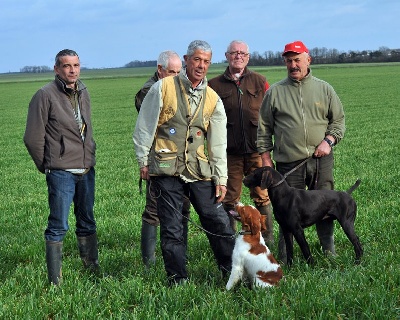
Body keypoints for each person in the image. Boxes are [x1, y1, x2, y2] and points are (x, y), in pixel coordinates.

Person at [133, 40, 235, 286]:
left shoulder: (212, 98)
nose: (201, 66)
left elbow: (219, 144)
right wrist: (143, 160)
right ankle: (177, 279)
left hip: (198, 169)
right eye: (197, 60)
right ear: (187, 60)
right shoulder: (163, 88)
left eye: (206, 61)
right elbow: (145, 127)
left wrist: (221, 178)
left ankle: (232, 271)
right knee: (172, 226)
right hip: (166, 168)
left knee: (216, 219)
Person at [257, 40, 346, 263]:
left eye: (297, 59)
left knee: (326, 205)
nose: (293, 65)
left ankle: (328, 251)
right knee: (286, 212)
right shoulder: (275, 92)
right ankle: (286, 258)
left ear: (308, 60)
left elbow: (338, 121)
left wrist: (329, 141)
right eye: (289, 61)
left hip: (320, 161)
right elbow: (264, 128)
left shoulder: (324, 89)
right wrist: (266, 159)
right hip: (289, 164)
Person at [24, 49, 101, 285]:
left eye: (76, 65)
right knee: (58, 225)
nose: (72, 70)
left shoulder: (83, 91)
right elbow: (32, 138)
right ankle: (55, 282)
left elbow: (85, 128)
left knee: (87, 221)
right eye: (67, 66)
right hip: (61, 172)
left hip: (86, 169)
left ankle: (92, 270)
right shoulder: (44, 95)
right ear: (57, 69)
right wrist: (48, 165)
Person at [208, 40, 274, 245]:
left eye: (242, 53)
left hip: (257, 151)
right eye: (234, 53)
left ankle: (266, 240)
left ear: (248, 57)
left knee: (262, 196)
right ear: (226, 56)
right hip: (230, 153)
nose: (238, 56)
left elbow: (272, 112)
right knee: (229, 199)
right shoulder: (213, 85)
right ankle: (231, 243)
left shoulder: (260, 81)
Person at [134, 51, 191, 268]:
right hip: (158, 158)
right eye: (172, 72)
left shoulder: (178, 86)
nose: (176, 76)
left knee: (184, 205)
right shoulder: (148, 91)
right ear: (160, 70)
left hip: (180, 158)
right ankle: (148, 262)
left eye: (179, 72)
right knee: (154, 209)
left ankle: (180, 254)